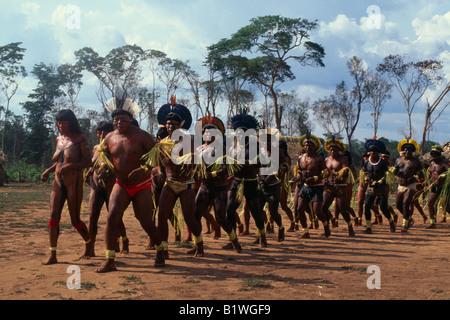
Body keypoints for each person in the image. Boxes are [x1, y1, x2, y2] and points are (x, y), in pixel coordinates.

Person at [95, 96, 165, 272]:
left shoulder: (142, 136)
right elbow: (101, 157)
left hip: (141, 185)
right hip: (121, 184)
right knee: (112, 218)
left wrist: (145, 169)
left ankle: (160, 250)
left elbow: (158, 158)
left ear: (131, 120)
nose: (119, 122)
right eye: (116, 119)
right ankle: (110, 260)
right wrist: (103, 167)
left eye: (123, 119)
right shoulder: (110, 137)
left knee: (145, 222)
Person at [150, 96, 203, 257]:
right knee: (161, 216)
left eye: (173, 123)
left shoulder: (189, 142)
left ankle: (199, 245)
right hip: (170, 183)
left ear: (181, 125)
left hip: (186, 184)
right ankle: (164, 248)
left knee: (189, 218)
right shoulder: (162, 143)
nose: (170, 126)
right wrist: (160, 172)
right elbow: (158, 163)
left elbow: (196, 163)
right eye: (168, 123)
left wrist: (177, 162)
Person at [40, 109, 92, 265]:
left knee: (74, 220)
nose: (60, 125)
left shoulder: (80, 139)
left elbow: (88, 162)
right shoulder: (59, 139)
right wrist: (48, 171)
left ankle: (89, 244)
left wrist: (70, 167)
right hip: (57, 182)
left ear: (71, 122)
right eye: (58, 122)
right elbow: (59, 161)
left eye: (63, 122)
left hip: (73, 183)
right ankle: (52, 254)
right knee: (53, 216)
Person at [194, 113, 242, 252]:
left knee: (221, 218)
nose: (206, 134)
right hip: (204, 186)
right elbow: (196, 167)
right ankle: (198, 246)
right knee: (195, 215)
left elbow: (228, 168)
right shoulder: (199, 149)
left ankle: (234, 241)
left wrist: (213, 173)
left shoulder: (224, 150)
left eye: (210, 132)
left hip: (219, 189)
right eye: (205, 132)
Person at [82, 121, 129, 258]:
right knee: (92, 217)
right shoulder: (96, 148)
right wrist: (89, 172)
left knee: (114, 216)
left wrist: (109, 170)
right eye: (98, 133)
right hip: (96, 186)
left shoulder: (115, 147)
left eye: (104, 133)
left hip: (111, 186)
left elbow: (120, 165)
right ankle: (89, 248)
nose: (100, 136)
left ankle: (123, 241)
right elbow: (94, 162)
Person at [226, 109, 267, 247]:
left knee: (256, 212)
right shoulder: (233, 148)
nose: (240, 134)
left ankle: (262, 236)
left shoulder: (255, 147)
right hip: (237, 182)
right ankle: (233, 240)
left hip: (250, 183)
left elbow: (265, 162)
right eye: (238, 132)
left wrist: (251, 163)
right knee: (229, 210)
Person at [293, 133, 330, 238]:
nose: (308, 147)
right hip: (305, 187)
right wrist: (298, 177)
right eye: (306, 145)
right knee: (300, 209)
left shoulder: (318, 159)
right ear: (303, 146)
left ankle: (326, 227)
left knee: (317, 211)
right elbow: (299, 170)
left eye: (310, 145)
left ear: (315, 147)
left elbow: (326, 172)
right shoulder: (301, 158)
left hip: (317, 187)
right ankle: (305, 232)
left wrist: (316, 178)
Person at [322, 137, 355, 237]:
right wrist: (323, 179)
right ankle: (327, 229)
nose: (332, 151)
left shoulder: (343, 159)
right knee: (323, 207)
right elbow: (323, 171)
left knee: (342, 209)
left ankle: (350, 227)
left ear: (339, 150)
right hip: (329, 187)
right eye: (331, 149)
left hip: (340, 187)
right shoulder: (326, 160)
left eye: (335, 150)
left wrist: (341, 172)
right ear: (328, 150)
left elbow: (347, 170)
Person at [361, 138, 396, 234]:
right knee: (367, 206)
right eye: (371, 151)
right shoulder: (367, 162)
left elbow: (386, 174)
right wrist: (367, 179)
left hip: (381, 187)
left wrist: (380, 181)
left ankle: (391, 222)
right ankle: (369, 227)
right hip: (371, 187)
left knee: (383, 208)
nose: (372, 153)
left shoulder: (382, 163)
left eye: (375, 151)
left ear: (378, 153)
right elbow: (364, 172)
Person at [257, 129, 286, 242]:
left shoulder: (278, 152)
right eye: (263, 140)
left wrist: (274, 175)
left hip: (273, 186)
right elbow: (256, 167)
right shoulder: (259, 152)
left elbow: (284, 166)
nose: (265, 142)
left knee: (273, 212)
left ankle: (280, 227)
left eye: (268, 140)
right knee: (258, 210)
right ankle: (261, 234)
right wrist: (259, 178)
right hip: (261, 185)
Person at [393, 138, 423, 232]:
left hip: (411, 185)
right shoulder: (398, 160)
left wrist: (414, 178)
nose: (407, 151)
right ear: (403, 151)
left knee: (406, 204)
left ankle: (405, 226)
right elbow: (395, 172)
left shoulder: (416, 162)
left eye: (410, 150)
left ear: (413, 151)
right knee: (398, 205)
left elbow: (421, 174)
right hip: (400, 185)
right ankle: (409, 219)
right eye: (406, 150)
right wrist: (395, 171)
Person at [426, 145, 449, 229]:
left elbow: (449, 171)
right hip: (434, 187)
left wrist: (444, 174)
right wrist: (426, 181)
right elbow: (430, 174)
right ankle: (433, 223)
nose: (433, 158)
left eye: (435, 156)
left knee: (447, 206)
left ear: (439, 155)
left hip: (443, 187)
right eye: (432, 156)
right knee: (430, 203)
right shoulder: (431, 163)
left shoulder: (444, 163)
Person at [278, 140, 296, 231]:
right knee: (271, 206)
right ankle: (270, 225)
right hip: (274, 183)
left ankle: (293, 223)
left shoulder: (286, 158)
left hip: (282, 184)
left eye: (280, 148)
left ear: (283, 149)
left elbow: (284, 171)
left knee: (284, 205)